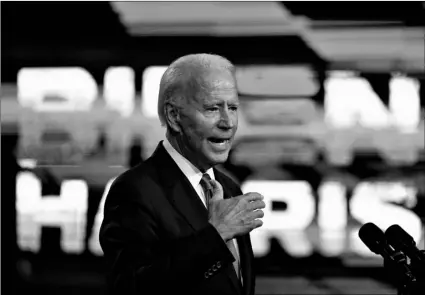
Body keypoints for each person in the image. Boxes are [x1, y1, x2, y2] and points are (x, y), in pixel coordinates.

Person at [99, 53, 265, 295]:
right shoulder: (135, 190)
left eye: (232, 107)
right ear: (174, 116)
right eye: (212, 109)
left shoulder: (228, 188)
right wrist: (216, 236)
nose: (228, 122)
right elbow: (131, 287)